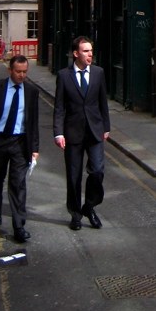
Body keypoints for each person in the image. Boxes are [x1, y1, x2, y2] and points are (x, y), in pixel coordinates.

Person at [0, 55, 40, 242]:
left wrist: (34, 147)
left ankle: (19, 226)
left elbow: (33, 122)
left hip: (19, 142)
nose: (22, 75)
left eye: (25, 72)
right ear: (10, 70)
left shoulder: (31, 91)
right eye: (18, 71)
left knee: (18, 183)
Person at [53, 36, 110, 231]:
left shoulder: (98, 73)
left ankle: (89, 206)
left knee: (97, 171)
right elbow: (59, 107)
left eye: (91, 50)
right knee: (74, 176)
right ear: (76, 53)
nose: (90, 54)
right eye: (86, 51)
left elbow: (103, 102)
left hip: (95, 130)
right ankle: (75, 214)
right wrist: (58, 133)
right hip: (73, 132)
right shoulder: (63, 75)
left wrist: (106, 127)